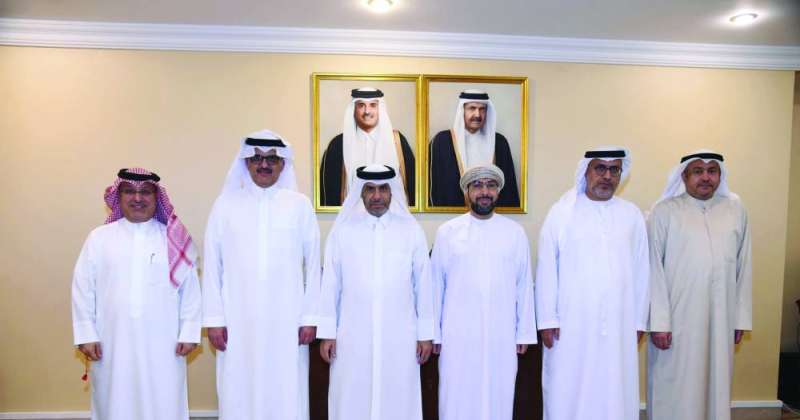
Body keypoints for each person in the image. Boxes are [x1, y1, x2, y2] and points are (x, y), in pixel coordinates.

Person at [202, 130, 321, 420]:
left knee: (286, 386)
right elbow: (212, 266)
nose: (264, 165)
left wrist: (310, 317)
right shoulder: (225, 205)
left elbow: (313, 264)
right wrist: (214, 320)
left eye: (272, 159)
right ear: (246, 162)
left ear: (283, 164)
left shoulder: (299, 205)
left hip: (287, 318)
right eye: (256, 158)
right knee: (237, 385)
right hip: (237, 317)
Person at [72, 167, 201, 420]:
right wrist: (86, 333)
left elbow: (190, 290)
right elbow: (82, 288)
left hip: (165, 342)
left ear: (157, 197)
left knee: (164, 400)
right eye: (129, 191)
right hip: (112, 340)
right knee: (114, 401)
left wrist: (189, 331)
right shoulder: (99, 238)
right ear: (118, 197)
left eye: (146, 192)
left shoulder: (174, 238)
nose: (137, 198)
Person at [535, 147, 649, 420]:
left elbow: (642, 270)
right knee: (568, 387)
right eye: (600, 168)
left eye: (614, 170)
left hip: (620, 323)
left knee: (615, 387)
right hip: (570, 324)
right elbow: (547, 268)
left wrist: (639, 321)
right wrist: (547, 319)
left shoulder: (632, 215)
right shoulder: (561, 213)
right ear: (585, 171)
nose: (607, 176)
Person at [318, 164, 434, 420]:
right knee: (351, 395)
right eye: (370, 189)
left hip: (400, 336)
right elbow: (330, 284)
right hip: (352, 336)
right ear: (361, 192)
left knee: (398, 395)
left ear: (392, 192)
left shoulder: (411, 231)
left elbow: (424, 286)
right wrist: (327, 334)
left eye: (383, 189)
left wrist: (425, 335)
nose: (377, 196)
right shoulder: (343, 232)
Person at [647, 150, 752, 420]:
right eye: (698, 171)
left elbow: (744, 267)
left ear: (720, 175)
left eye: (712, 171)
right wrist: (659, 322)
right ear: (684, 176)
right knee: (674, 384)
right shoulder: (664, 212)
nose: (706, 177)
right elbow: (653, 270)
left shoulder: (735, 210)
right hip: (677, 320)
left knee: (717, 383)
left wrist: (739, 319)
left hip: (722, 317)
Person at [430, 164, 536, 420]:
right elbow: (435, 286)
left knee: (498, 393)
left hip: (502, 333)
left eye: (491, 186)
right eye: (477, 186)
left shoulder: (514, 233)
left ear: (498, 191)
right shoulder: (447, 232)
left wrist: (523, 332)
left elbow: (524, 285)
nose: (484, 192)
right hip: (457, 335)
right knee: (457, 395)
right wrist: (434, 333)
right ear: (466, 191)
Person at [320, 87, 416, 206]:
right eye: (361, 105)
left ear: (380, 108)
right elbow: (328, 194)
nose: (367, 111)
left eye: (373, 105)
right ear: (354, 109)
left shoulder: (398, 142)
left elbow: (413, 187)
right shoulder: (338, 145)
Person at [428, 90, 519, 207]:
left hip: (491, 215)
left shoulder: (500, 142)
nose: (477, 114)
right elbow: (433, 186)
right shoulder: (442, 141)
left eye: (482, 109)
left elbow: (509, 187)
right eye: (472, 108)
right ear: (462, 110)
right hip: (452, 214)